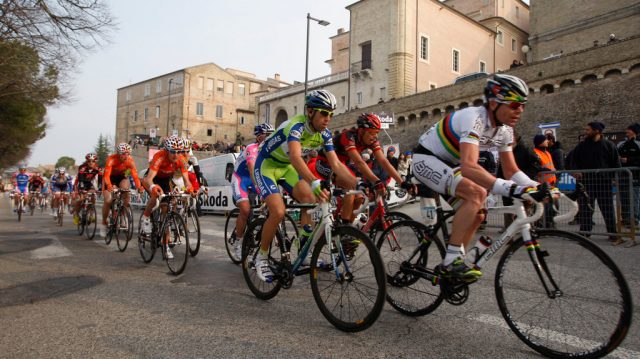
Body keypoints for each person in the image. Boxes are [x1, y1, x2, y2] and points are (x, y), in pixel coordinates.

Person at [411, 74, 546, 282]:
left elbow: (511, 171)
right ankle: (451, 261)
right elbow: (469, 167)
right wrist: (510, 189)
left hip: (449, 164)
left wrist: (536, 186)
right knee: (476, 193)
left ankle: (455, 261)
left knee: (479, 213)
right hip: (426, 159)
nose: (519, 110)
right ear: (493, 103)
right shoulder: (474, 118)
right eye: (514, 104)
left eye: (522, 105)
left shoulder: (505, 131)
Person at [252, 89, 356, 282]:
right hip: (266, 165)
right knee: (278, 211)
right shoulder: (295, 126)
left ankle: (304, 250)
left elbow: (336, 164)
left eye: (331, 114)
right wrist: (314, 181)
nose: (327, 118)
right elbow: (295, 156)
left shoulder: (323, 134)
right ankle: (262, 257)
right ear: (310, 111)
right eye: (324, 113)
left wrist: (358, 184)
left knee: (308, 199)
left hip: (285, 167)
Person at [310, 113, 406, 225]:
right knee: (350, 187)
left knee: (360, 197)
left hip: (341, 166)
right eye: (371, 133)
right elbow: (359, 162)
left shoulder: (371, 140)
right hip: (325, 163)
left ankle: (348, 228)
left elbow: (384, 161)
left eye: (377, 133)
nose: (374, 137)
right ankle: (345, 229)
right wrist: (376, 181)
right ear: (361, 131)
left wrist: (403, 183)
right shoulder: (348, 136)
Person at [140, 136, 194, 259]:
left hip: (165, 180)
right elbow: (148, 179)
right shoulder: (159, 157)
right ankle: (146, 217)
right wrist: (153, 186)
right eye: (173, 151)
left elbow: (187, 181)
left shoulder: (181, 160)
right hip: (152, 178)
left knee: (168, 209)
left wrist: (190, 189)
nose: (176, 155)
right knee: (155, 195)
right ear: (166, 150)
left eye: (179, 151)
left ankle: (165, 245)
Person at [570, 121, 622, 244]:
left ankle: (612, 233)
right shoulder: (581, 146)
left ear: (597, 131)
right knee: (586, 208)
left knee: (607, 208)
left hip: (604, 183)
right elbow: (573, 160)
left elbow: (616, 163)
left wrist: (615, 177)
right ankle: (585, 233)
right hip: (586, 182)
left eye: (588, 130)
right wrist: (576, 171)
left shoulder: (609, 145)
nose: (586, 132)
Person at [230, 123, 274, 258]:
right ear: (259, 137)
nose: (271, 138)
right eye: (268, 135)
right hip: (241, 179)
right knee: (245, 210)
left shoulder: (270, 150)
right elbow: (251, 168)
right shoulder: (252, 148)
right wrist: (261, 190)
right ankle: (238, 243)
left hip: (255, 179)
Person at [102, 143, 144, 237]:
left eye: (128, 154)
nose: (126, 156)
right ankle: (104, 222)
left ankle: (123, 214)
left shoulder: (130, 161)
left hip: (121, 178)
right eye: (123, 154)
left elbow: (135, 177)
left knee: (125, 191)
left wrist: (139, 187)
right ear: (118, 153)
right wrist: (109, 185)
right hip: (110, 179)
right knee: (108, 200)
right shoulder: (111, 159)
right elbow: (106, 176)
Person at [617, 123, 640, 227]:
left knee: (634, 198)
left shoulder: (638, 144)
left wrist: (629, 160)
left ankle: (634, 219)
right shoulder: (622, 144)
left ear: (634, 131)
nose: (626, 132)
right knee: (624, 198)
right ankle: (625, 219)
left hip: (635, 176)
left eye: (629, 130)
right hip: (623, 176)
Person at [533, 134, 557, 227]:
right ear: (540, 142)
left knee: (553, 205)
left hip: (551, 183)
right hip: (542, 185)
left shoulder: (547, 152)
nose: (547, 141)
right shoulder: (535, 153)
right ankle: (541, 225)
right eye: (545, 140)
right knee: (543, 206)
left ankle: (550, 223)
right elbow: (536, 167)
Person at [72, 153, 102, 225]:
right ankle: (76, 214)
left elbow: (101, 179)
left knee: (92, 196)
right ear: (87, 161)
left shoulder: (98, 168)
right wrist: (81, 188)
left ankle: (91, 214)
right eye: (89, 161)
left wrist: (100, 188)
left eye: (93, 161)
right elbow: (80, 178)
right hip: (82, 183)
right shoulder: (82, 167)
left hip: (89, 183)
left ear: (95, 162)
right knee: (81, 199)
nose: (91, 163)